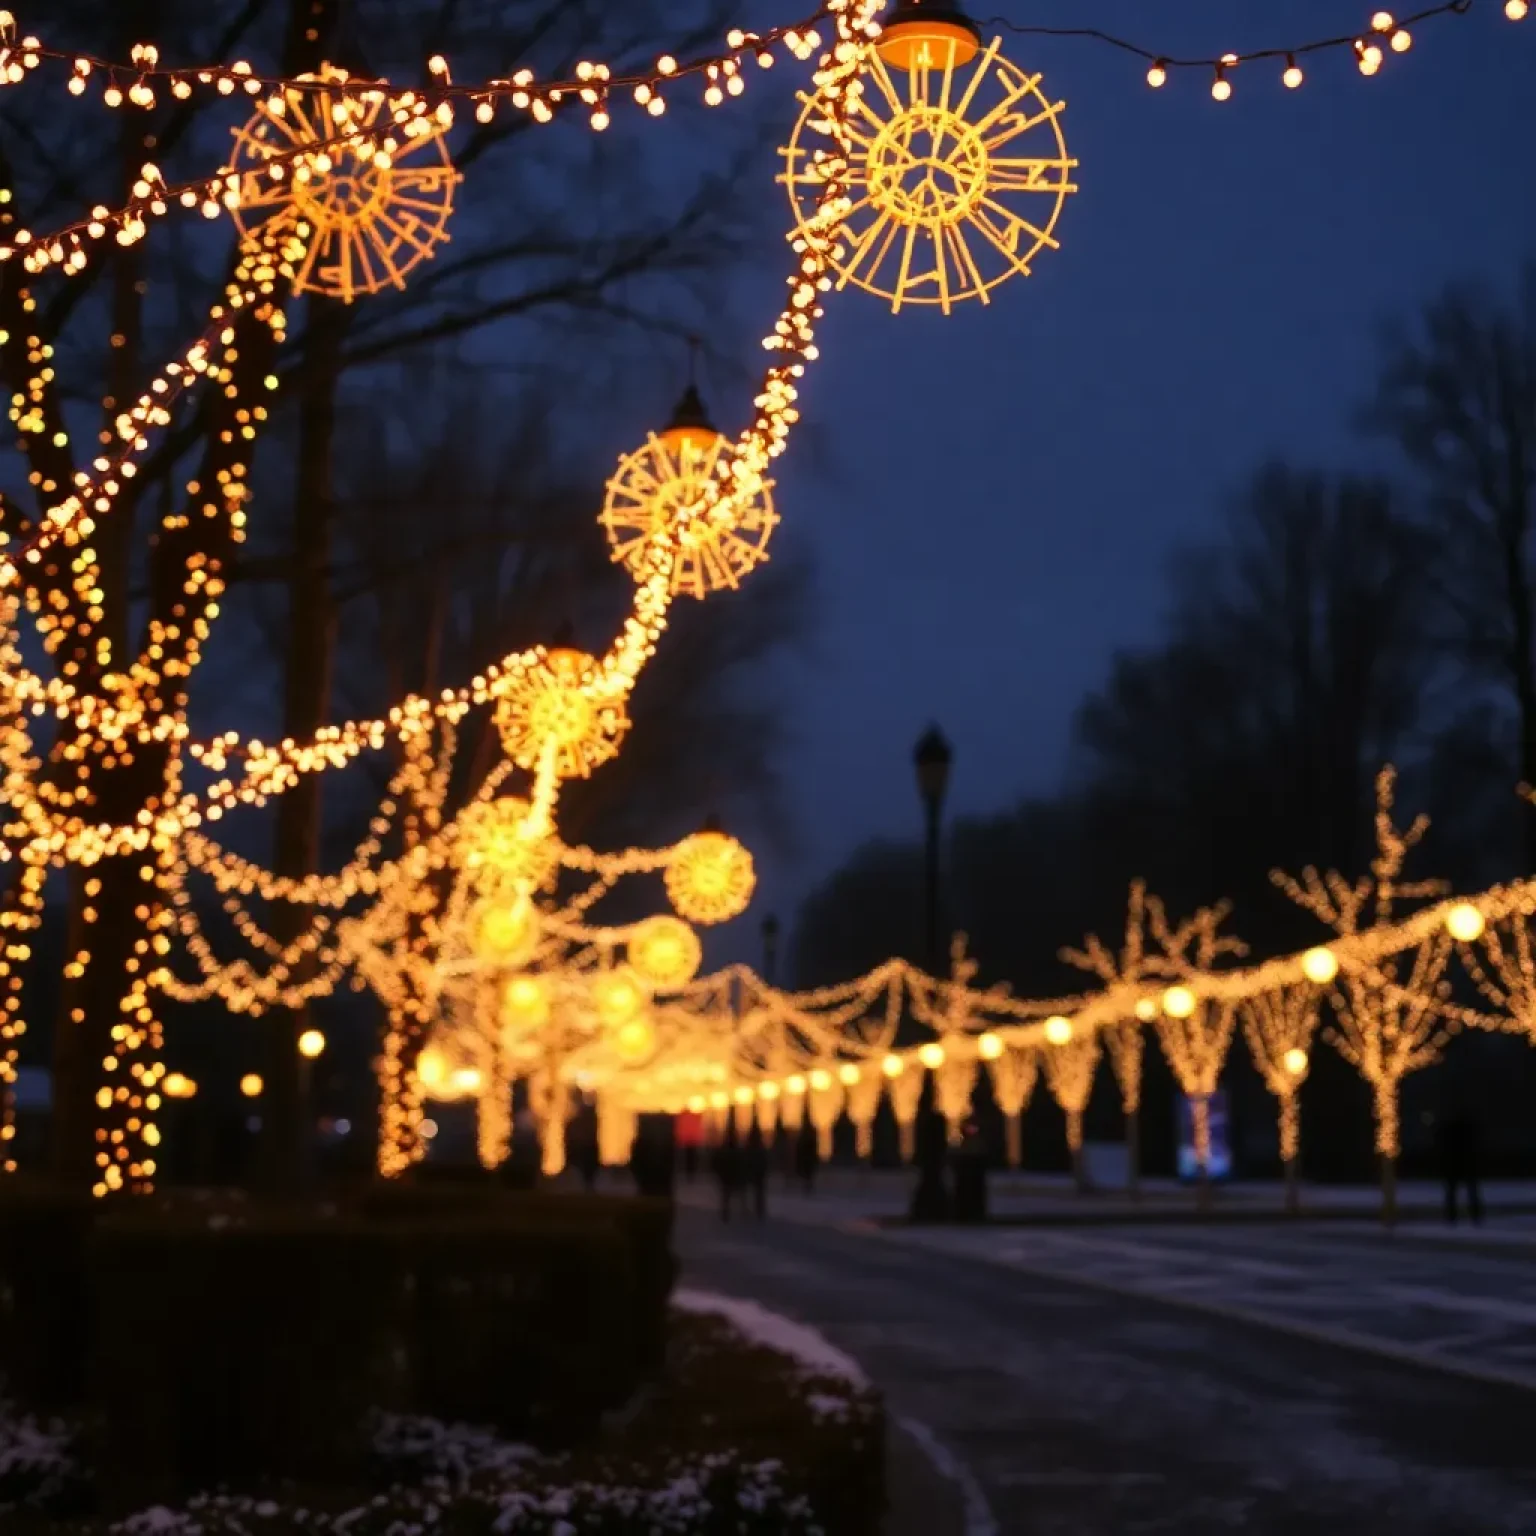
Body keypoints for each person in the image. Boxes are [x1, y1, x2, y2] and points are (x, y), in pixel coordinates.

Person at [1441, 1109, 1483, 1225]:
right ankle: (1475, 1216)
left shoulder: (1449, 1131)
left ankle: (1452, 1216)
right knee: (1470, 1191)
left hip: (1454, 1163)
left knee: (1453, 1192)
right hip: (1465, 1163)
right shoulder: (1469, 1132)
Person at [711, 1127, 743, 1221]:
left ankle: (727, 1213)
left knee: (727, 1196)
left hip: (727, 1176)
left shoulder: (724, 1149)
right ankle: (730, 1212)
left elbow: (717, 1161)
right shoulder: (734, 1150)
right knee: (730, 1195)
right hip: (729, 1175)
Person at [743, 1122, 769, 1219]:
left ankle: (756, 1209)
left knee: (755, 1192)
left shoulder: (750, 1147)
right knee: (758, 1192)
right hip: (757, 1172)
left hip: (755, 1172)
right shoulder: (760, 1147)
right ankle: (758, 1210)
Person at [793, 1119, 819, 1196]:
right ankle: (807, 1188)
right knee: (807, 1176)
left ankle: (807, 1188)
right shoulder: (806, 1140)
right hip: (806, 1162)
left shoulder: (806, 1140)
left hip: (807, 1162)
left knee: (808, 1176)